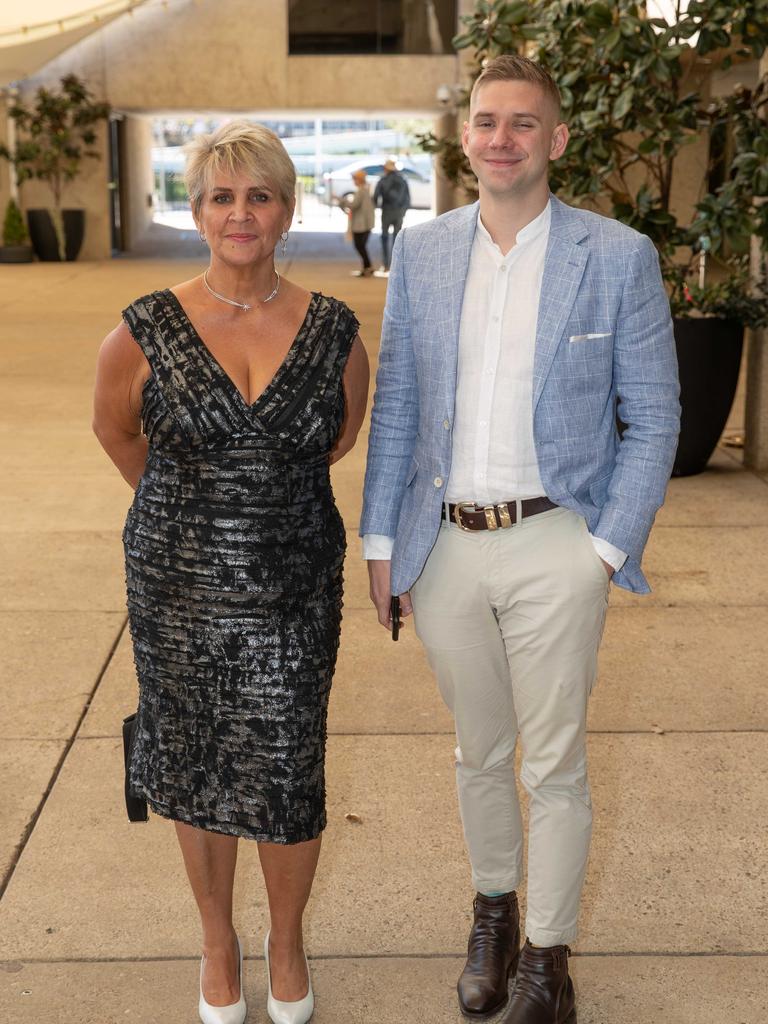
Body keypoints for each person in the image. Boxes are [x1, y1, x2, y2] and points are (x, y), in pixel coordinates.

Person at [361, 55, 679, 1024]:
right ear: (466, 139)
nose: (503, 138)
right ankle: (492, 916)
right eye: (488, 122)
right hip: (447, 543)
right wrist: (382, 542)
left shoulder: (616, 255)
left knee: (554, 763)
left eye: (523, 123)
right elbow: (403, 404)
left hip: (558, 540)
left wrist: (605, 549)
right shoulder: (426, 251)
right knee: (478, 751)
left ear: (557, 139)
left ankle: (548, 957)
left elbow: (656, 414)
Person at [93, 120, 369, 1024]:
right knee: (193, 763)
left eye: (260, 195)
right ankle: (219, 943)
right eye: (221, 196)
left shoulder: (333, 330)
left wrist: (252, 512)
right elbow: (117, 434)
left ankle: (286, 943)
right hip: (177, 590)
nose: (240, 213)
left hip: (294, 588)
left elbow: (336, 439)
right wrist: (195, 517)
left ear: (288, 210)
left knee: (289, 766)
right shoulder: (142, 330)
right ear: (198, 211)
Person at [372, 159, 411, 274]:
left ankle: (386, 264)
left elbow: (375, 197)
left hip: (387, 211)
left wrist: (375, 207)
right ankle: (396, 265)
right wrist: (404, 210)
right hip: (399, 212)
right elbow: (408, 198)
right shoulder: (403, 180)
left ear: (386, 169)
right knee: (397, 238)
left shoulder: (382, 180)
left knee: (384, 237)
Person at [341, 169, 375, 276]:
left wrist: (343, 200)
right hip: (366, 223)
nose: (353, 181)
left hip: (360, 224)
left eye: (354, 179)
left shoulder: (361, 191)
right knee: (361, 246)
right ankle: (367, 267)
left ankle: (368, 266)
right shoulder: (365, 189)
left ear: (358, 180)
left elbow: (354, 205)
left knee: (359, 245)